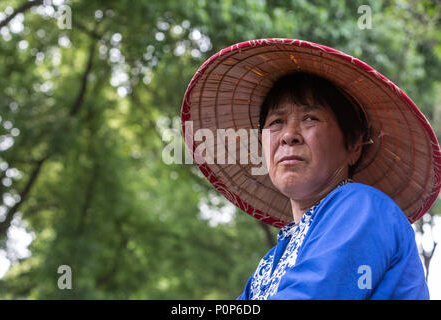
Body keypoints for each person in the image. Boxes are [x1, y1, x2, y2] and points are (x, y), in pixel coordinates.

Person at [180, 38, 441, 300]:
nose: (288, 135)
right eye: (276, 122)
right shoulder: (269, 264)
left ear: (353, 144)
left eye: (310, 118)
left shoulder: (362, 206)